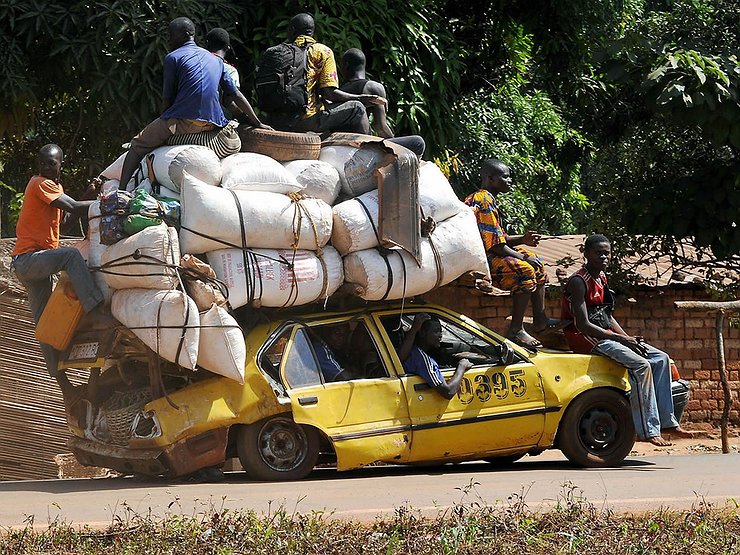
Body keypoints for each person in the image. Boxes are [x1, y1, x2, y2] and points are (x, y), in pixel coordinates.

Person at [561, 234, 695, 446]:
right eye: (598, 253)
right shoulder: (579, 282)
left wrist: (627, 338)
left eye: (607, 253)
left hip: (605, 334)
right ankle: (649, 431)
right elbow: (583, 325)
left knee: (660, 358)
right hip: (586, 339)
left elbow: (607, 316)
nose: (603, 257)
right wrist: (620, 339)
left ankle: (667, 422)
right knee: (641, 366)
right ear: (586, 254)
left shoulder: (602, 279)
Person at [117, 17, 270, 190]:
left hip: (184, 122)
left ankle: (121, 192)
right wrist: (257, 123)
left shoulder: (172, 58)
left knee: (137, 144)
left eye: (171, 35)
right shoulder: (217, 61)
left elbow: (167, 99)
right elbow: (235, 94)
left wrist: (162, 125)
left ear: (185, 34)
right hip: (213, 125)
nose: (168, 39)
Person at [11, 144, 104, 396]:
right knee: (71, 256)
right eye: (43, 162)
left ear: (60, 164)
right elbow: (73, 207)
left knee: (44, 326)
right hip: (28, 260)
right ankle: (96, 308)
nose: (47, 166)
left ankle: (64, 387)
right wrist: (104, 203)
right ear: (38, 165)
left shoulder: (54, 188)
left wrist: (89, 193)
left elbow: (67, 219)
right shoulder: (39, 183)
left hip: (34, 265)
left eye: (51, 163)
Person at [465, 159, 560, 349]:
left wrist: (523, 240)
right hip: (481, 259)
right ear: (491, 179)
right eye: (505, 177)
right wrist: (524, 258)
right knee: (524, 269)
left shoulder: (488, 199)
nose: (510, 181)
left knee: (538, 263)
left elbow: (499, 238)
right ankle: (516, 329)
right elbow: (495, 246)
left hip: (490, 252)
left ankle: (540, 320)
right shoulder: (483, 200)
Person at [268, 13, 386, 134]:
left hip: (275, 119)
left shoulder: (276, 53)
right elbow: (329, 93)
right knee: (357, 107)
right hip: (305, 120)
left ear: (292, 30)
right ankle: (367, 148)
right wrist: (360, 98)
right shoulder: (322, 51)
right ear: (312, 32)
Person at [339, 48, 426, 157]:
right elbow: (381, 128)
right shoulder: (373, 87)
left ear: (346, 65)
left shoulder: (339, 91)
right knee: (418, 142)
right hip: (362, 144)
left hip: (342, 143)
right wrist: (394, 144)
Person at [398, 313, 473, 399]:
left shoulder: (413, 351)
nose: (440, 335)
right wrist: (462, 366)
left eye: (441, 331)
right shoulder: (422, 360)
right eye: (436, 331)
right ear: (422, 333)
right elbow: (448, 391)